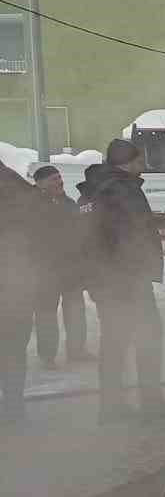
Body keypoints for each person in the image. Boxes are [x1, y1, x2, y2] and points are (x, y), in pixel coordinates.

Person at [88, 138, 165, 425]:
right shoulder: (121, 190)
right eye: (139, 160)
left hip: (108, 279)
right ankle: (150, 402)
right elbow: (130, 236)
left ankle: (112, 406)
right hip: (126, 279)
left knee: (114, 341)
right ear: (126, 162)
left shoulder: (98, 187)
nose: (142, 165)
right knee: (148, 336)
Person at [0, 161, 57, 428]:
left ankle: (13, 407)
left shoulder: (16, 190)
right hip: (16, 286)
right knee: (12, 350)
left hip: (14, 283)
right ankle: (13, 407)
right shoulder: (20, 189)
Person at [30, 164, 91, 367]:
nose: (59, 181)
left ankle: (77, 349)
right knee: (46, 314)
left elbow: (80, 231)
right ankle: (47, 356)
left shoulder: (69, 203)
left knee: (75, 309)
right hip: (45, 270)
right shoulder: (33, 205)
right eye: (53, 179)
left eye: (59, 177)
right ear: (39, 183)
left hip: (71, 268)